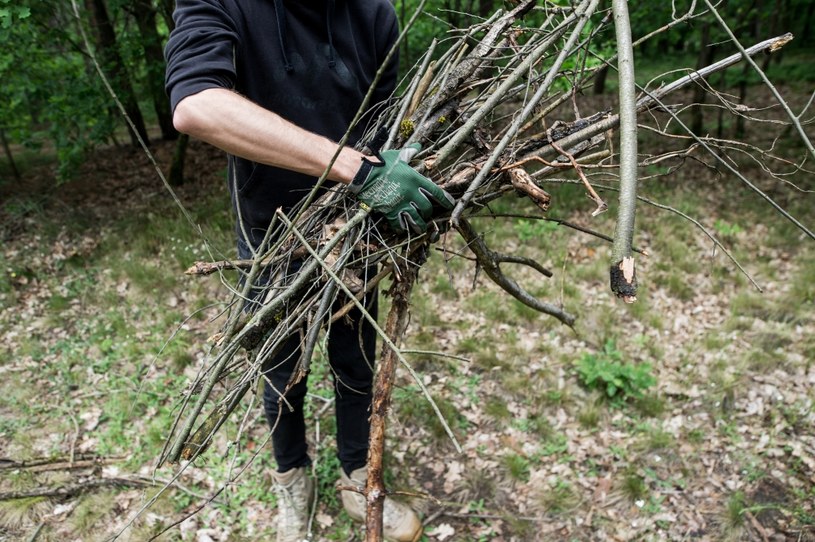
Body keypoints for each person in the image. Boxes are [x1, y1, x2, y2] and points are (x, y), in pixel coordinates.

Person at [164, 1, 453, 541]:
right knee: (280, 372)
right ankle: (292, 479)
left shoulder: (373, 15)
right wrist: (353, 168)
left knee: (355, 360)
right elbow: (196, 105)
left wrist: (411, 162)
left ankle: (355, 476)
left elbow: (386, 126)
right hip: (268, 237)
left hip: (354, 230)